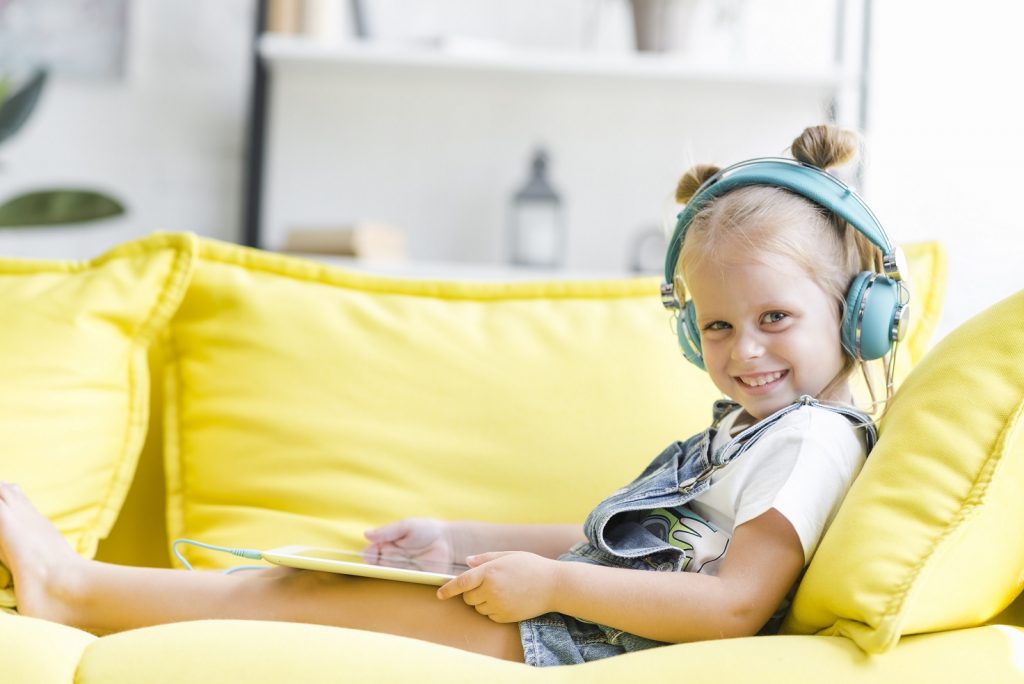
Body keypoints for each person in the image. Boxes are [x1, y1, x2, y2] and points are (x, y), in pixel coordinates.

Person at [0, 124, 905, 667]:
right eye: (715, 326)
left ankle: (70, 588)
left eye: (776, 317)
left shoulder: (811, 443)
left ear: (859, 312)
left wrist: (550, 585)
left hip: (592, 641)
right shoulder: (757, 433)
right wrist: (462, 541)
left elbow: (733, 606)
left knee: (311, 600)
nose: (743, 350)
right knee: (310, 582)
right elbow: (626, 546)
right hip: (588, 618)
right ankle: (78, 587)